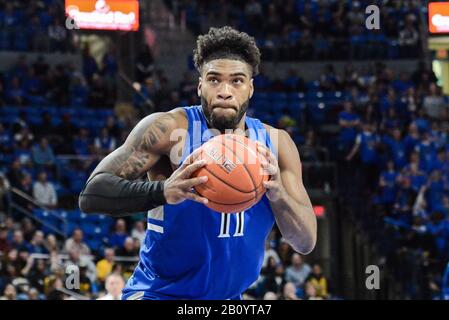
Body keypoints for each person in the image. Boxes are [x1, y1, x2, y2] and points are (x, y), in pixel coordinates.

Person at [79, 26, 317, 300]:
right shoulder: (167, 129)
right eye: (214, 79)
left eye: (237, 81)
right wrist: (163, 191)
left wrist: (279, 196)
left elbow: (306, 241)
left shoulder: (277, 144)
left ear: (250, 88)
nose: (225, 91)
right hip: (158, 294)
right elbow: (92, 195)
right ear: (200, 84)